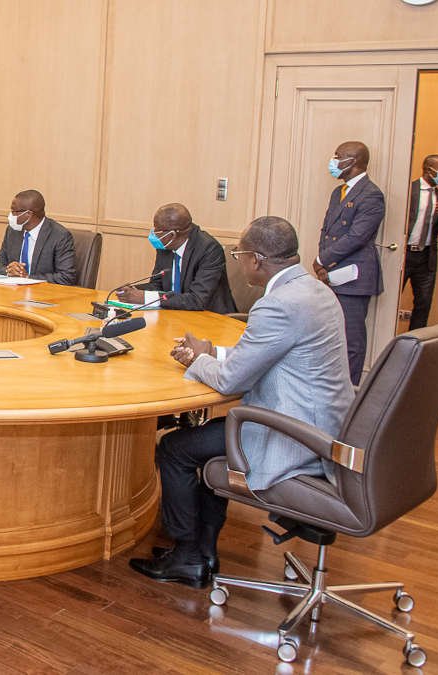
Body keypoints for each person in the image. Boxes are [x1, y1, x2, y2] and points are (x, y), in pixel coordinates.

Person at [128, 216, 353, 588]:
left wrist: (194, 360)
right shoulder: (314, 292)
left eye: (240, 254)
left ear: (258, 259)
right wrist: (212, 350)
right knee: (205, 443)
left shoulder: (277, 305)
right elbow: (267, 352)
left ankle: (187, 556)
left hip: (292, 436)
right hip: (323, 425)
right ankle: (204, 552)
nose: (238, 261)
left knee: (175, 448)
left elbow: (234, 378)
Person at [314, 140, 385, 385]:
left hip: (354, 278)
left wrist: (323, 259)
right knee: (331, 335)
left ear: (352, 161)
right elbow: (327, 230)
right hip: (331, 274)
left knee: (351, 341)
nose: (333, 162)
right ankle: (331, 386)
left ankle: (350, 393)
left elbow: (357, 236)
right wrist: (322, 265)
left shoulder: (371, 194)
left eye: (338, 156)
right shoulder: (339, 192)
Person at [116, 203, 236, 312]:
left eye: (157, 231)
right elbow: (158, 285)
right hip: (175, 313)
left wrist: (145, 297)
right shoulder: (166, 245)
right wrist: (134, 291)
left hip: (210, 319)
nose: (154, 235)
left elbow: (197, 300)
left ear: (172, 235)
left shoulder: (209, 249)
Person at [402, 154, 438, 331]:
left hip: (426, 259)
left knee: (423, 306)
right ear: (428, 169)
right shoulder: (409, 190)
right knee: (390, 301)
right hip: (404, 255)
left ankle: (413, 346)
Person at [0, 189, 76, 284]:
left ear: (28, 214)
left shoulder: (60, 236)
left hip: (44, 294)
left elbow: (66, 277)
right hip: (12, 291)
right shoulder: (12, 231)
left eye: (14, 211)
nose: (10, 215)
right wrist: (9, 271)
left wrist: (27, 277)